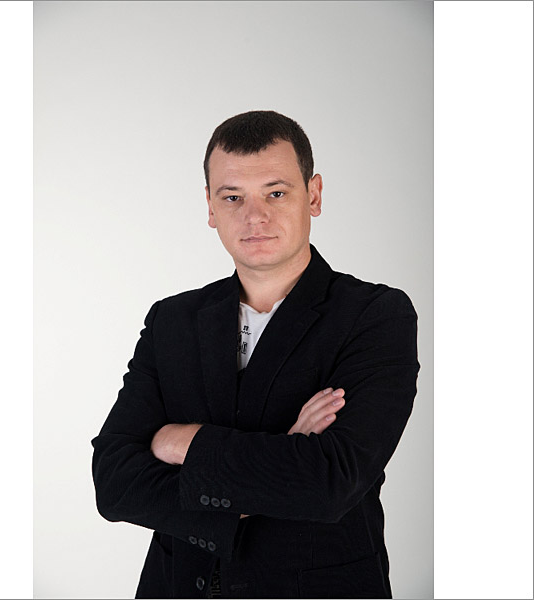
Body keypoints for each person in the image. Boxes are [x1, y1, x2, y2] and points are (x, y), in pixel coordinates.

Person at [91, 110, 420, 599]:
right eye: (233, 197)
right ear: (210, 206)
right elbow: (114, 482)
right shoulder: (172, 320)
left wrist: (180, 442)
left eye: (276, 193)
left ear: (314, 195)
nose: (255, 216)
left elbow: (330, 483)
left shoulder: (374, 315)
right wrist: (284, 454)